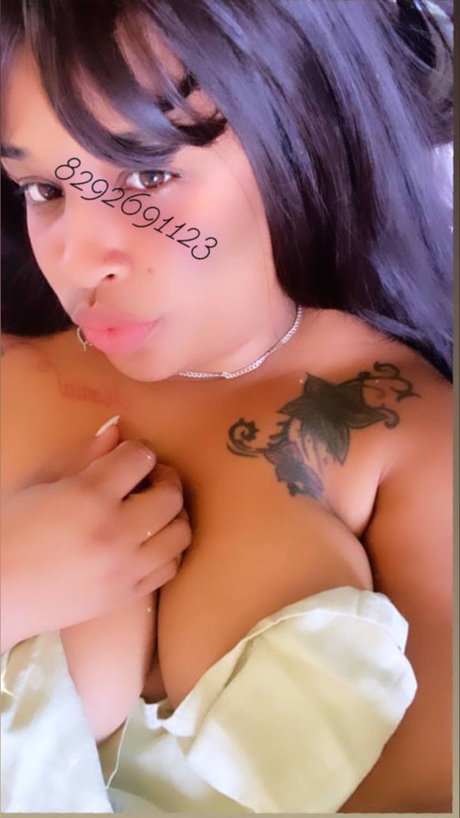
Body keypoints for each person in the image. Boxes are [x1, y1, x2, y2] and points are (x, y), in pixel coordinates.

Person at [0, 0, 453, 812]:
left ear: (303, 133)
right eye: (43, 188)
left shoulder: (404, 434)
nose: (78, 258)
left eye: (147, 176)